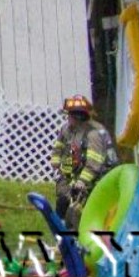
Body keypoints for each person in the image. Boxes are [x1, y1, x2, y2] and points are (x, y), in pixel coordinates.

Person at [50, 95, 118, 229]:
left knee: (79, 211)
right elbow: (61, 146)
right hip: (76, 175)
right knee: (63, 202)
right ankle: (62, 235)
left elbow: (94, 164)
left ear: (79, 117)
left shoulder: (94, 134)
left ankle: (76, 235)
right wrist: (57, 163)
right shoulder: (68, 129)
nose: (68, 118)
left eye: (70, 116)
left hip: (98, 180)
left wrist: (81, 181)